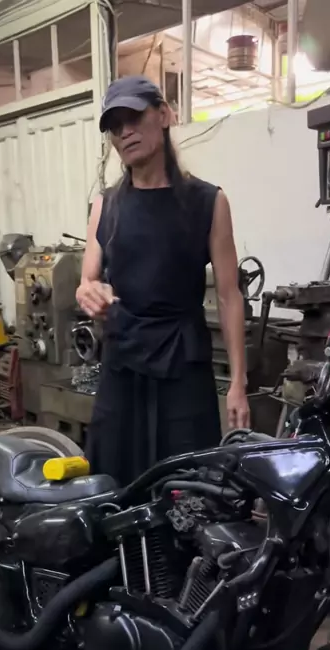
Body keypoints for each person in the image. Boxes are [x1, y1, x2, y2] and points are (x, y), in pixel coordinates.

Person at [76, 75, 249, 486]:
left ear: (165, 114)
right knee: (113, 486)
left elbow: (229, 296)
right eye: (114, 125)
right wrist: (89, 293)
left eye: (134, 117)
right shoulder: (105, 205)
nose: (125, 132)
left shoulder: (208, 202)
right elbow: (86, 280)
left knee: (190, 487)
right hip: (122, 365)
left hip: (182, 367)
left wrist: (238, 384)